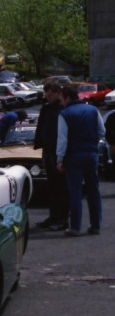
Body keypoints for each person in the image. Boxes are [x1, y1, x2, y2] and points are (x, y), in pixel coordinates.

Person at [56, 84, 105, 236]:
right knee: (93, 190)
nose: (61, 103)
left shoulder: (65, 114)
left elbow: (62, 139)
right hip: (91, 153)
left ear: (67, 98)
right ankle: (96, 225)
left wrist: (60, 158)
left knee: (75, 192)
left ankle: (75, 227)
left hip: (74, 155)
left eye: (62, 100)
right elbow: (101, 131)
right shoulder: (93, 110)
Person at [34, 82, 69, 230]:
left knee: (61, 187)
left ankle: (62, 219)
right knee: (52, 187)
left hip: (58, 152)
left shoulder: (63, 109)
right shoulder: (47, 109)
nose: (47, 98)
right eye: (46, 95)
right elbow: (41, 127)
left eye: (50, 95)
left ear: (57, 93)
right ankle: (53, 216)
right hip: (48, 151)